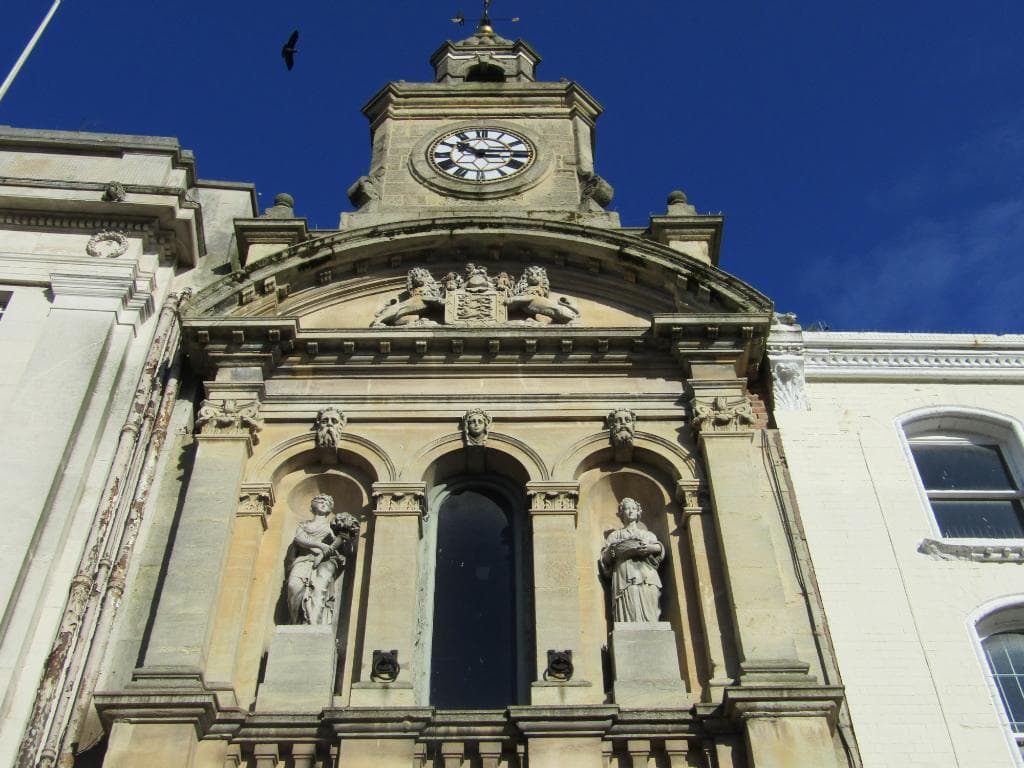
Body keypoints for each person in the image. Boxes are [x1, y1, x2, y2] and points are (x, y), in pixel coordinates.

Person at [285, 494, 359, 625]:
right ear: (313, 506)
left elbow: (342, 544)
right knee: (293, 585)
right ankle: (296, 622)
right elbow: (299, 538)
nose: (324, 503)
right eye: (320, 501)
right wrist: (319, 545)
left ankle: (314, 623)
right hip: (304, 559)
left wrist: (324, 553)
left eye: (327, 502)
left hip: (326, 561)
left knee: (319, 586)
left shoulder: (334, 526)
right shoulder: (304, 525)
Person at [599, 497, 664, 622]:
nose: (630, 511)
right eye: (627, 509)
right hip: (624, 573)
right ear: (621, 513)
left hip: (646, 573)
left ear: (638, 512)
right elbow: (605, 559)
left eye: (633, 508)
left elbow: (658, 548)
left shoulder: (647, 534)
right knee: (629, 599)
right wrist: (612, 552)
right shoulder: (615, 536)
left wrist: (649, 548)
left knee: (649, 599)